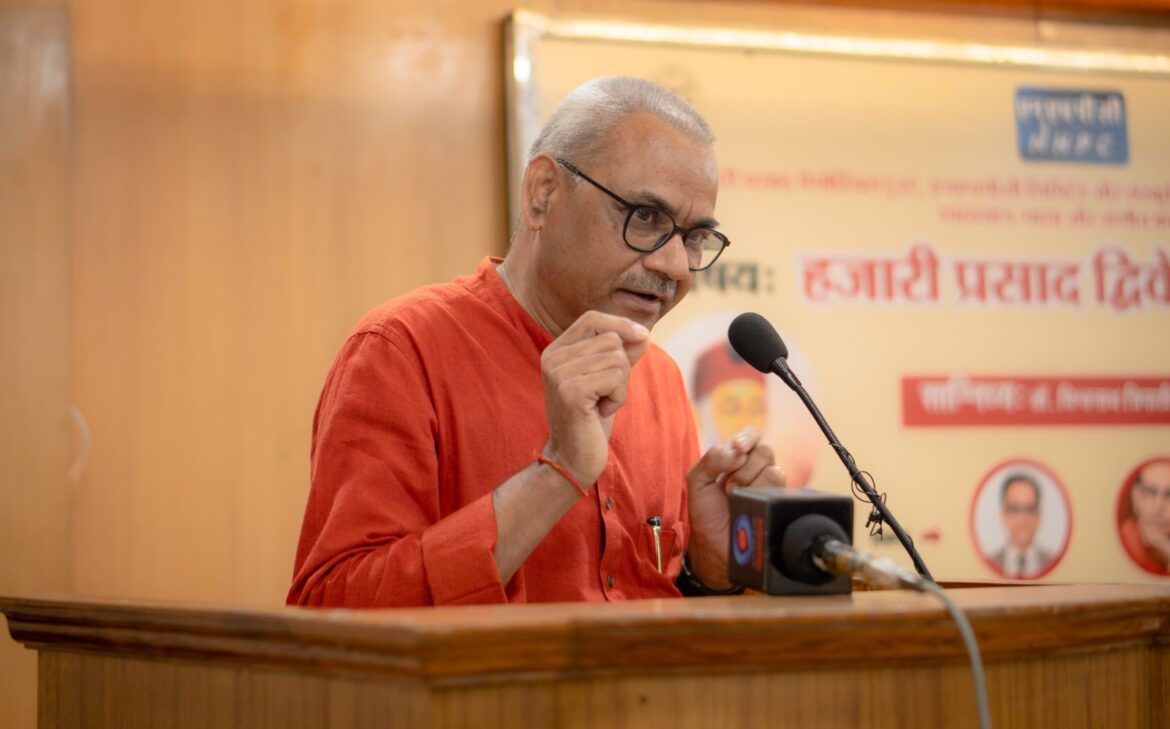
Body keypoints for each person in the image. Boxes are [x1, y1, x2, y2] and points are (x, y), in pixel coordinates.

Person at [287, 77, 786, 607]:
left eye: (694, 237)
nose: (675, 266)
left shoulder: (658, 375)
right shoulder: (402, 350)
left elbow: (649, 602)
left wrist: (709, 570)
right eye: (645, 217)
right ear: (542, 193)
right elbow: (334, 609)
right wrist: (557, 473)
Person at [989, 473, 1053, 578]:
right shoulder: (989, 564)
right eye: (1014, 509)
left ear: (1039, 515)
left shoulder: (1053, 563)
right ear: (1003, 514)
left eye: (1029, 509)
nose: (1022, 519)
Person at [1118, 458, 1170, 576]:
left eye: (1169, 495)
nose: (1159, 505)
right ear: (1136, 496)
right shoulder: (1126, 540)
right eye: (1151, 492)